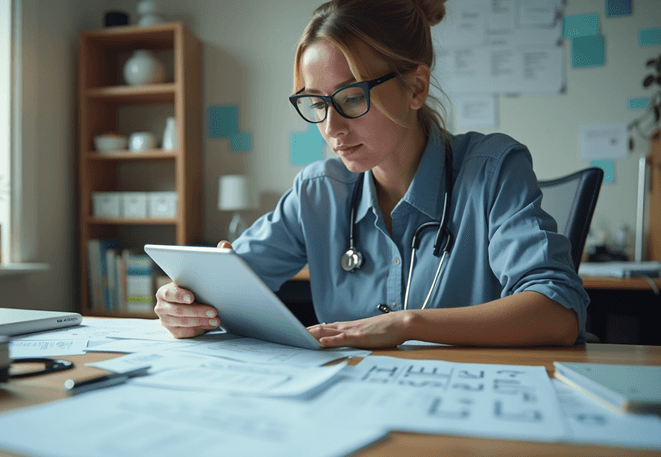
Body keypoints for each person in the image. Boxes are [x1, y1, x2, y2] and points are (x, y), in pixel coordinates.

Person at [155, 0, 589, 349]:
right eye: (317, 103)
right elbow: (224, 285)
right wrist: (183, 303)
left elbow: (557, 313)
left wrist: (406, 325)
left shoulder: (494, 170)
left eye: (350, 97)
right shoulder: (318, 193)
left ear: (416, 88)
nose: (331, 128)